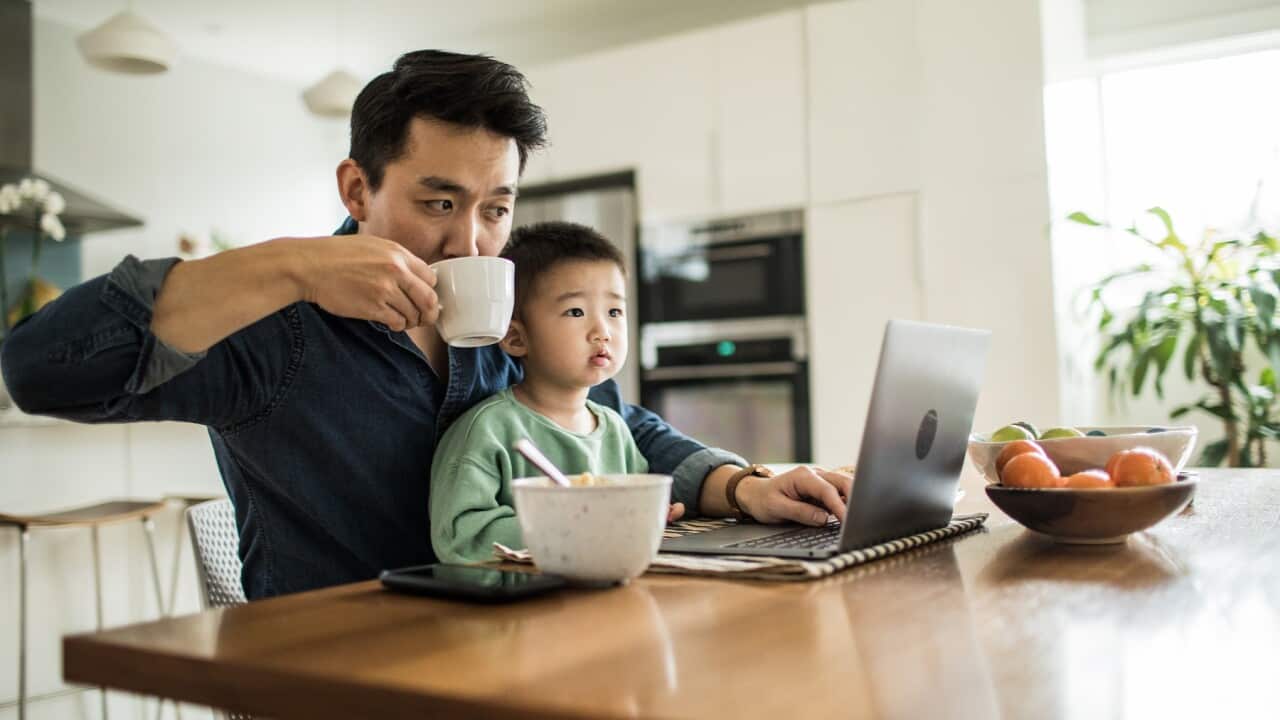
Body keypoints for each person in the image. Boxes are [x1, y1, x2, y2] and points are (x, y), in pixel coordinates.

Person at [0, 50, 851, 600]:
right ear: (357, 190)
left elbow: (615, 426)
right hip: (346, 675)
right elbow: (38, 369)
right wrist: (293, 265)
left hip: (518, 644)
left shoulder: (512, 316)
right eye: (439, 202)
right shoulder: (275, 327)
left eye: (496, 208)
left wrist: (743, 487)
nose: (468, 240)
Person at [431, 222, 684, 563]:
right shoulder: (488, 430)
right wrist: (574, 525)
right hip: (517, 607)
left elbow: (621, 516)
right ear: (517, 338)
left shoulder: (615, 429)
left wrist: (646, 516)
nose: (602, 331)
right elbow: (461, 538)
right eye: (576, 311)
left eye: (614, 311)